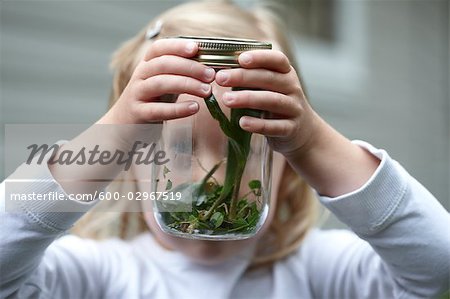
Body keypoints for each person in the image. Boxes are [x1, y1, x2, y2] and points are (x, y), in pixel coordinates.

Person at [1, 1, 449, 298]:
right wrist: (113, 133)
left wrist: (312, 141)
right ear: (127, 165)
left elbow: (438, 262)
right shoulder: (96, 273)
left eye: (247, 146)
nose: (206, 180)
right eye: (178, 152)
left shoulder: (320, 270)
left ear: (290, 167)